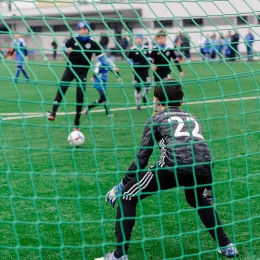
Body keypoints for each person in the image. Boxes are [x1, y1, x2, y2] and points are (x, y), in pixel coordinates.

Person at [95, 78, 239, 260]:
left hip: (173, 166)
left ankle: (119, 255)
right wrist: (208, 189)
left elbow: (142, 158)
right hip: (204, 167)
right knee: (197, 198)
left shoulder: (155, 119)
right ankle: (227, 246)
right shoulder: (192, 117)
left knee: (127, 197)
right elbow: (202, 151)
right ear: (182, 100)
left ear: (156, 100)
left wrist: (122, 184)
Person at [47, 21, 116, 130]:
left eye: (85, 29)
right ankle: (53, 113)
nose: (83, 31)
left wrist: (112, 67)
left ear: (88, 30)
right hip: (70, 68)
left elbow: (102, 59)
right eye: (81, 29)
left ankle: (76, 123)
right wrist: (66, 50)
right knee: (62, 88)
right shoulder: (73, 39)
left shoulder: (93, 43)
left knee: (79, 96)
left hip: (82, 72)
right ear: (78, 30)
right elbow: (63, 47)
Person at [149, 30, 184, 115]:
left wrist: (180, 70)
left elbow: (176, 60)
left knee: (167, 91)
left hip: (166, 74)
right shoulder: (154, 49)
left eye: (161, 38)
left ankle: (169, 109)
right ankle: (155, 111)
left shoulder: (169, 49)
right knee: (156, 93)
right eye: (158, 39)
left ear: (165, 38)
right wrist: (152, 64)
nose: (160, 40)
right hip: (157, 74)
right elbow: (149, 59)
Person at [126, 34, 151, 111]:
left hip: (145, 70)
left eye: (140, 38)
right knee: (137, 88)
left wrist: (149, 61)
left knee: (148, 86)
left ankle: (144, 95)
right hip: (136, 71)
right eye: (137, 38)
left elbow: (149, 57)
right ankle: (138, 104)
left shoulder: (146, 48)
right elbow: (128, 59)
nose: (139, 40)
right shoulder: (133, 49)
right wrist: (132, 64)